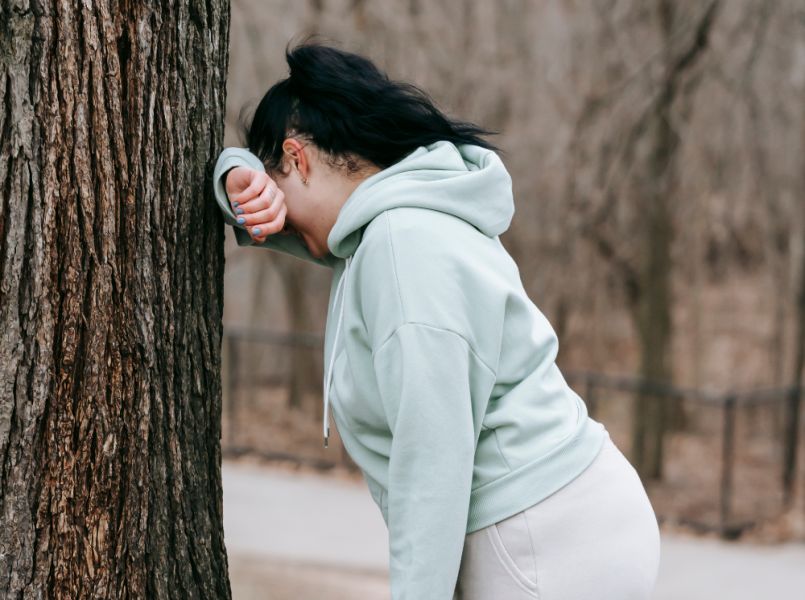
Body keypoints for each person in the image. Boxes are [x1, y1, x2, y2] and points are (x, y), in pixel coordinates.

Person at [212, 40, 661, 600]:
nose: (278, 222)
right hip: (571, 517)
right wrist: (237, 175)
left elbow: (434, 465)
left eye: (274, 188)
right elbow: (252, 218)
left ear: (297, 158)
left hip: (542, 539)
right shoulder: (404, 216)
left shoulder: (402, 249)